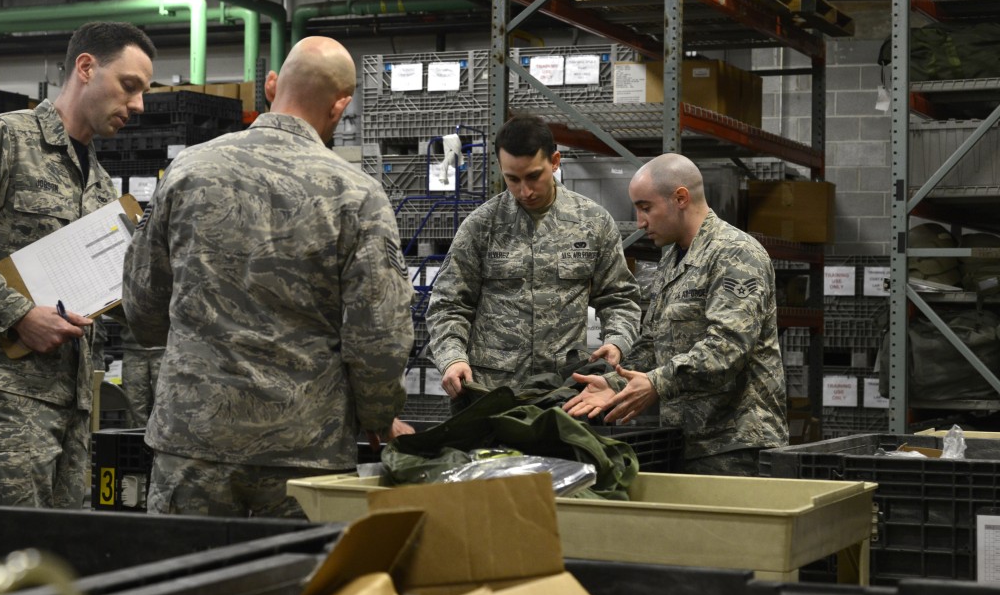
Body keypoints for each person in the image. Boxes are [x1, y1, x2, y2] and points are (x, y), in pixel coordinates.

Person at [123, 35, 413, 519]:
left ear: (272, 84)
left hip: (195, 437)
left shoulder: (189, 170)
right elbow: (380, 336)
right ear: (341, 105)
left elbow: (142, 305)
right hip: (304, 448)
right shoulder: (357, 196)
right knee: (297, 588)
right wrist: (378, 416)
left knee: (183, 587)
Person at [0, 21, 155, 508]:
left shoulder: (102, 187)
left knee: (54, 557)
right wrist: (18, 314)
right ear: (86, 67)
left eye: (144, 93)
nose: (139, 105)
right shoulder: (2, 140)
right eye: (130, 86)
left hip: (73, 405)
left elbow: (109, 294)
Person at [563, 153, 789, 476]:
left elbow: (727, 348)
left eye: (645, 208)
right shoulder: (671, 261)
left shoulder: (736, 253)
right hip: (686, 442)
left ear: (680, 198)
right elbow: (653, 343)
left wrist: (656, 383)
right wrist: (613, 383)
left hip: (736, 447)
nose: (640, 222)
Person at [426, 114, 641, 398]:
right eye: (512, 179)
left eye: (533, 176)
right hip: (491, 393)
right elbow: (448, 305)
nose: (524, 191)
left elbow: (620, 299)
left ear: (554, 161)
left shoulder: (592, 222)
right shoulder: (482, 226)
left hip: (565, 389)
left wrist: (616, 342)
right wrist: (452, 358)